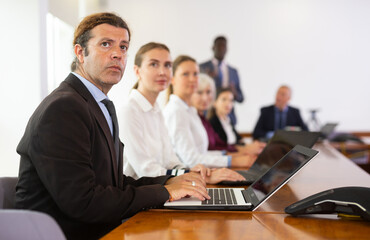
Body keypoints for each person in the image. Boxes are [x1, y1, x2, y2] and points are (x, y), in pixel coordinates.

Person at [15, 13, 210, 240]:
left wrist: (170, 181)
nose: (118, 54)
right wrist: (164, 191)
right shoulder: (64, 107)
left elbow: (113, 184)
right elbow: (84, 201)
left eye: (124, 46)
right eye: (106, 44)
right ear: (80, 52)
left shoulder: (99, 104)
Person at [120, 42, 245, 184]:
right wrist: (195, 176)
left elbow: (170, 160)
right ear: (137, 71)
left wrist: (190, 172)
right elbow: (146, 170)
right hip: (143, 195)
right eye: (154, 64)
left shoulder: (156, 110)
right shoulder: (129, 111)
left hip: (163, 188)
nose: (162, 71)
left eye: (167, 65)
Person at [163, 55, 255, 168]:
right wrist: (232, 161)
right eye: (185, 74)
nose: (192, 79)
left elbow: (202, 153)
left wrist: (230, 156)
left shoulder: (190, 111)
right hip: (187, 178)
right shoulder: (176, 111)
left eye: (195, 74)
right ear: (172, 79)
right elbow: (190, 160)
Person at [192, 74, 265, 156]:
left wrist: (248, 147)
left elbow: (228, 144)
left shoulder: (225, 121)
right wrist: (241, 152)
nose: (228, 104)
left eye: (231, 100)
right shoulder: (211, 122)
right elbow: (218, 148)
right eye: (224, 100)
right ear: (215, 102)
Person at [199, 36, 244, 125]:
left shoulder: (233, 71)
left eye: (224, 46)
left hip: (228, 117)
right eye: (219, 46)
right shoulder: (202, 68)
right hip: (208, 115)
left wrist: (234, 93)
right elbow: (197, 91)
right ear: (213, 48)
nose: (221, 49)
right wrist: (207, 80)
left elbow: (241, 98)